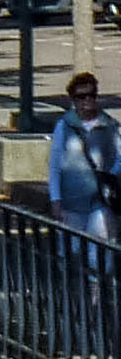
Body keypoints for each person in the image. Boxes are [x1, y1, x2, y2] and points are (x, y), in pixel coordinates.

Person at [50, 73, 121, 240]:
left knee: (98, 253)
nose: (87, 100)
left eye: (92, 95)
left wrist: (110, 174)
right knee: (71, 251)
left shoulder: (110, 125)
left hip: (100, 201)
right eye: (81, 97)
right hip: (71, 202)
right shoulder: (64, 125)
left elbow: (120, 156)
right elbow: (54, 165)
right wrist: (55, 200)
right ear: (73, 100)